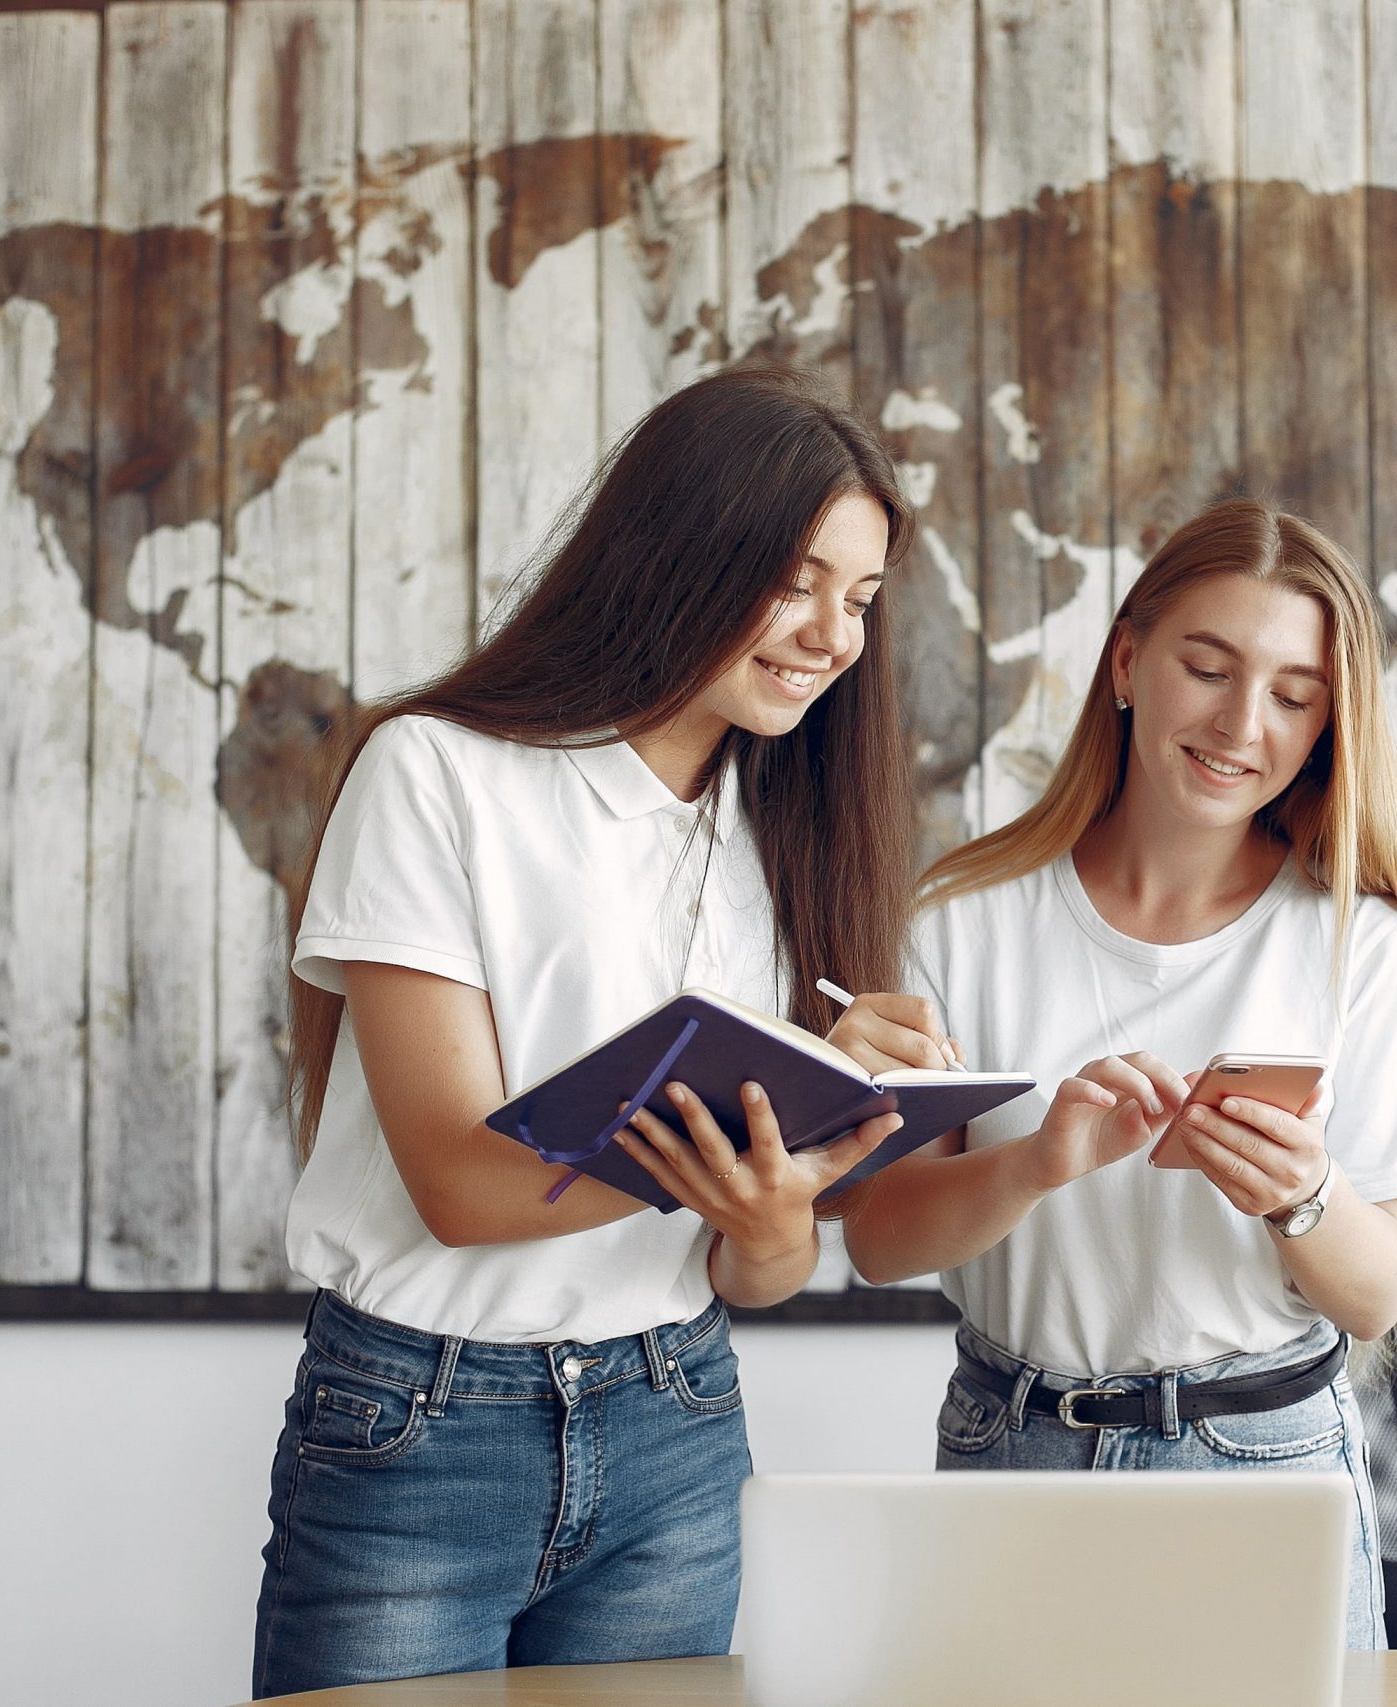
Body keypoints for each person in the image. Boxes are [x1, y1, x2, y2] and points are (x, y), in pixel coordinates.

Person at [253, 363, 955, 1696]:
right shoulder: (438, 771)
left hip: (677, 1414)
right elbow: (459, 1185)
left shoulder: (784, 826)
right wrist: (758, 1101)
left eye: (859, 599)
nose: (832, 633)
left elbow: (759, 1269)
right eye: (797, 580)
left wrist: (778, 1193)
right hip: (418, 1421)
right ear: (685, 551)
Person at [841, 497, 1397, 1650]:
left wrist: (1302, 1195)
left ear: (1329, 723)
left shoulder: (1356, 946)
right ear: (1129, 660)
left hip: (1265, 1466)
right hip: (1010, 1451)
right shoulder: (963, 922)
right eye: (1208, 667)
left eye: (1294, 696)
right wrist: (1037, 1163)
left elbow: (1378, 1295)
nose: (1244, 722)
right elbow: (879, 1241)